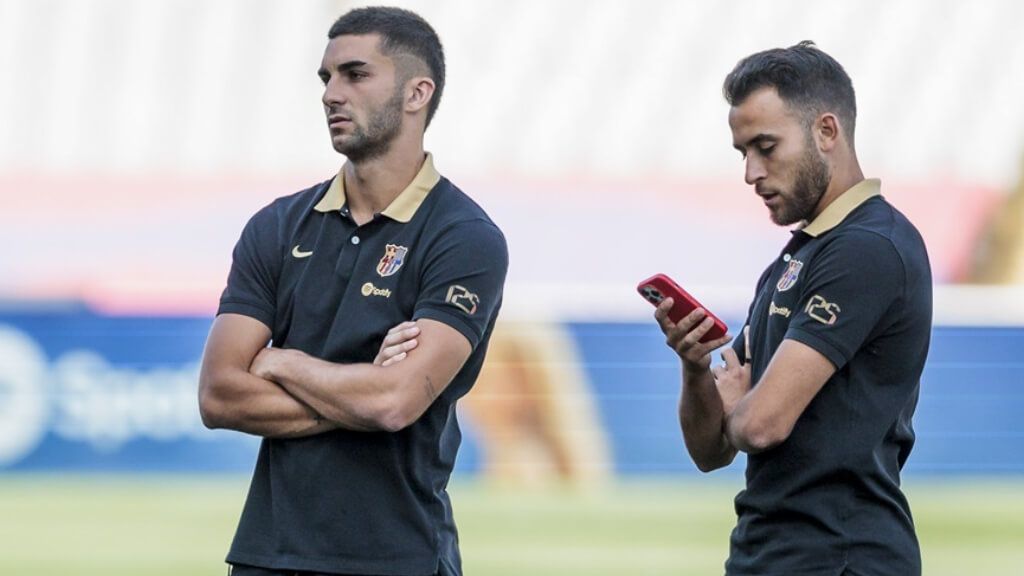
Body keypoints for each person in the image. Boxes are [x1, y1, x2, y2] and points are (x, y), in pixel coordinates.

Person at [197, 7, 508, 576]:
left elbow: (394, 404)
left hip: (401, 557)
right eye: (326, 77)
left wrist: (281, 362)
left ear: (418, 93)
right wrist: (364, 388)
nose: (331, 94)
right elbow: (218, 396)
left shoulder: (465, 238)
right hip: (268, 556)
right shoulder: (277, 225)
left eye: (355, 74)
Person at [654, 41, 931, 575]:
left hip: (840, 555)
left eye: (766, 147)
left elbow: (760, 426)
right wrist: (693, 368)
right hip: (773, 553)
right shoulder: (799, 256)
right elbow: (709, 451)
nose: (750, 172)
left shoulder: (868, 247)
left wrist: (740, 406)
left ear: (827, 131)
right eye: (742, 153)